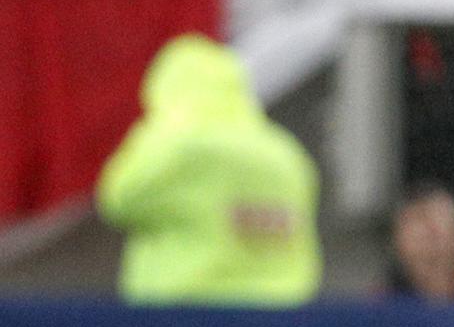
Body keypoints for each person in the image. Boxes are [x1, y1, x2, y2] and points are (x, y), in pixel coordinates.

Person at [97, 35, 322, 306]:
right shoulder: (285, 152)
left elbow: (118, 200)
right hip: (280, 312)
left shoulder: (174, 144)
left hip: (184, 311)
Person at [386, 182, 454, 300]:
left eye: (437, 235)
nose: (431, 249)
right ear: (398, 241)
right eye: (421, 238)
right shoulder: (376, 306)